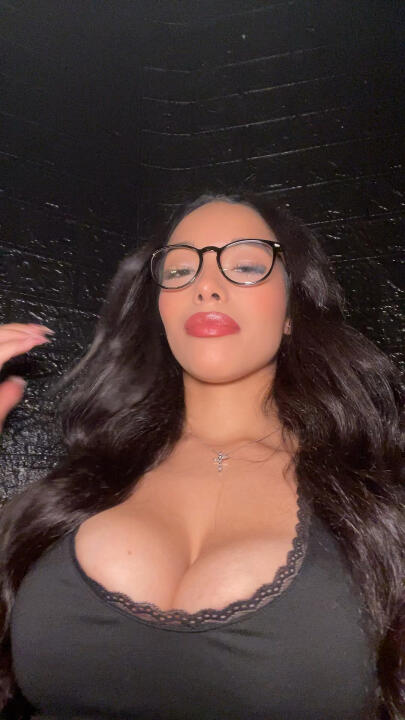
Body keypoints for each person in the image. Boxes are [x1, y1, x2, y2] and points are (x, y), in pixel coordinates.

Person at [0, 192, 403, 720]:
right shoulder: (83, 483)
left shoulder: (374, 496)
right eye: (180, 270)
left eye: (246, 266)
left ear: (292, 311)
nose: (205, 285)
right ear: (160, 311)